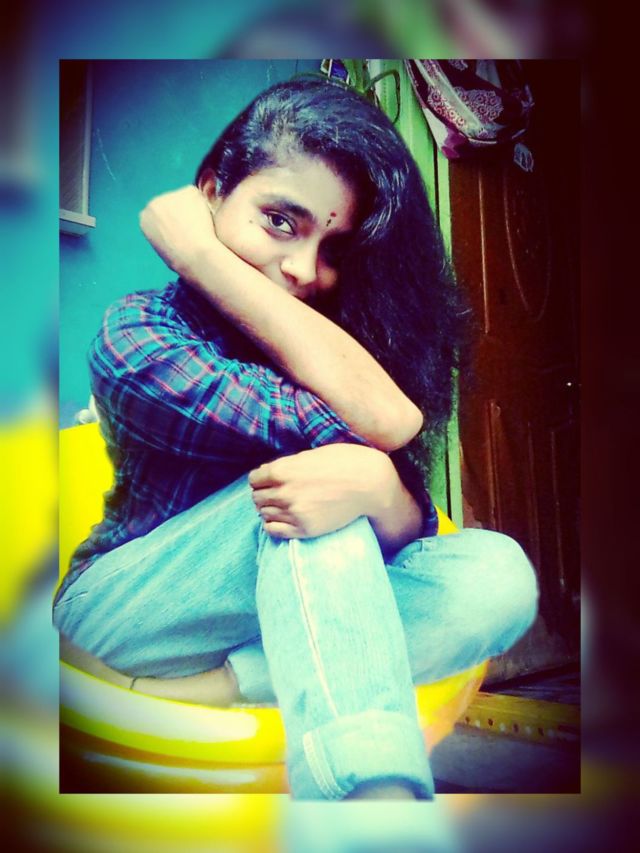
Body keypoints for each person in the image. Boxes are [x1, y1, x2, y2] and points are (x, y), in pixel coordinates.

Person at [54, 77, 538, 800]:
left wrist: (380, 489)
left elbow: (399, 508)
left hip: (266, 625)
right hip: (123, 615)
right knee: (314, 490)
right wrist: (200, 257)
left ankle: (218, 686)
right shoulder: (139, 333)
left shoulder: (329, 347)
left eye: (334, 246)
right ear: (211, 193)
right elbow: (383, 422)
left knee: (498, 573)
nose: (306, 270)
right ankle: (371, 804)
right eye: (280, 221)